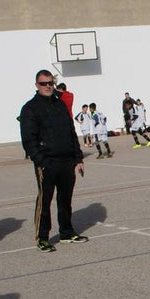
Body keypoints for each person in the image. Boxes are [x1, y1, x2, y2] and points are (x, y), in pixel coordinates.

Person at [20, 69, 88, 254]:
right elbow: (29, 140)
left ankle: (66, 232)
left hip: (66, 161)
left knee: (65, 199)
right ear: (37, 85)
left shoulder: (60, 105)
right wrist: (41, 161)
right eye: (44, 83)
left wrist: (78, 157)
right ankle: (42, 238)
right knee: (45, 201)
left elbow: (71, 132)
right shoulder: (30, 108)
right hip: (47, 163)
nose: (48, 86)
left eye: (50, 83)